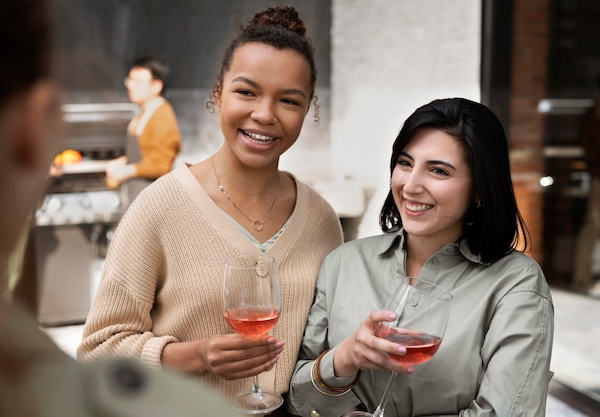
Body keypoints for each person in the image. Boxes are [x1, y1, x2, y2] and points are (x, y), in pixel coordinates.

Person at [77, 5, 344, 414]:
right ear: (218, 93)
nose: (264, 114)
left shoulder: (322, 221)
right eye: (246, 91)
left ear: (307, 110)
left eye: (288, 100)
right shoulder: (160, 208)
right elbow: (96, 352)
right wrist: (194, 357)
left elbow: (320, 354)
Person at [0, 0, 234, 415]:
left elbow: (159, 159)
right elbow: (99, 345)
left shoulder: (160, 120)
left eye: (136, 79)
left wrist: (127, 167)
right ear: (36, 126)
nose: (130, 85)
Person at [287, 98, 554, 417]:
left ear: (481, 188)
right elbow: (297, 397)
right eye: (404, 163)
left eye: (439, 171)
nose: (410, 186)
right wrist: (343, 359)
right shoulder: (344, 263)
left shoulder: (517, 285)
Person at [106, 56, 182, 206]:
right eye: (129, 80)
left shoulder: (162, 115)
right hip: (137, 195)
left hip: (152, 199)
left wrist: (127, 171)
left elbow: (161, 163)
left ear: (157, 86)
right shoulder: (144, 113)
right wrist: (122, 162)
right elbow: (143, 154)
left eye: (137, 82)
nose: (131, 86)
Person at [572, 100, 600, 292]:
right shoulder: (593, 115)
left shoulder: (591, 114)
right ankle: (583, 279)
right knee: (592, 228)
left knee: (591, 228)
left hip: (597, 174)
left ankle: (583, 279)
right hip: (599, 175)